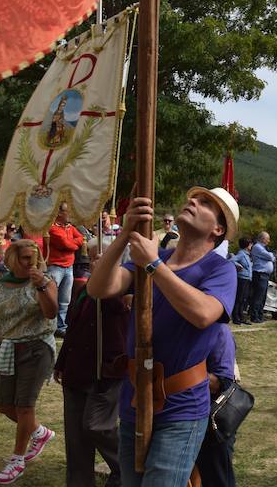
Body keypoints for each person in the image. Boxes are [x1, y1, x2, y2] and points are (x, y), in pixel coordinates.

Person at [87, 186, 239, 487]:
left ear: (218, 229)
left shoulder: (220, 269)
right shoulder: (157, 257)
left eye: (206, 203)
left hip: (181, 406)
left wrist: (154, 265)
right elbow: (99, 288)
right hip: (134, 398)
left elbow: (204, 313)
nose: (193, 201)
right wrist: (124, 236)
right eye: (193, 198)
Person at [0, 239, 59, 484]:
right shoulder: (0, 286)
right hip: (10, 346)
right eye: (24, 257)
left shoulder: (45, 282)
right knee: (3, 405)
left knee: (25, 406)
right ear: (12, 259)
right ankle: (39, 432)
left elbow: (51, 313)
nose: (30, 262)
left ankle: (17, 460)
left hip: (37, 348)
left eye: (33, 258)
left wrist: (42, 287)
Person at [53, 259, 129, 487]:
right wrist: (62, 362)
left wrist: (106, 283)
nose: (95, 263)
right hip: (77, 369)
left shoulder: (121, 291)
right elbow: (73, 329)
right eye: (94, 260)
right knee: (76, 440)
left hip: (106, 370)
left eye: (103, 260)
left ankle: (127, 466)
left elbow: (119, 310)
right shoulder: (83, 291)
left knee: (96, 426)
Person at [194, 323, 239, 486]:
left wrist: (184, 374)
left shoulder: (220, 330)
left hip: (214, 422)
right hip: (185, 416)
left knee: (217, 477)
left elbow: (222, 382)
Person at [45, 202, 85, 337]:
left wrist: (73, 243)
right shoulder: (52, 228)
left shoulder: (70, 227)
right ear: (59, 213)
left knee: (64, 300)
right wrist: (74, 244)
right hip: (55, 267)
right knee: (51, 298)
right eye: (68, 211)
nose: (71, 214)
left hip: (68, 267)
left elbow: (81, 238)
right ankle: (49, 326)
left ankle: (61, 327)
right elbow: (67, 244)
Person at [249, 232, 273, 324]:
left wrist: (270, 256)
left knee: (262, 297)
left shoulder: (263, 248)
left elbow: (271, 257)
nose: (268, 241)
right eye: (267, 239)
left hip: (265, 275)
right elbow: (270, 256)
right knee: (258, 296)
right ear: (262, 238)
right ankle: (254, 316)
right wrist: (270, 255)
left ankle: (259, 315)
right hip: (260, 274)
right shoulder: (257, 247)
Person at [230, 238, 252, 325]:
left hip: (247, 279)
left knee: (244, 299)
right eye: (250, 244)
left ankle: (241, 316)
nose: (251, 246)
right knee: (239, 298)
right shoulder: (241, 254)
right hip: (242, 278)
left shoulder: (247, 255)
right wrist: (237, 265)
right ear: (247, 245)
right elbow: (231, 260)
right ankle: (235, 317)